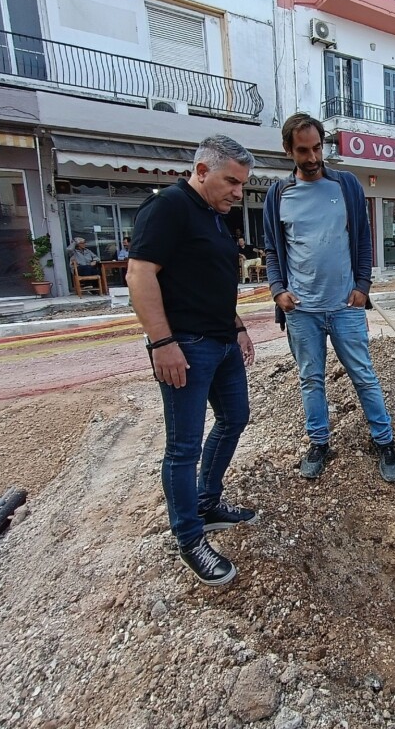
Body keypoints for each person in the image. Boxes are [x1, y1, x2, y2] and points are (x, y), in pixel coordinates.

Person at [126, 134, 258, 587]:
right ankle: (189, 537)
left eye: (242, 184)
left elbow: (213, 280)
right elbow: (140, 274)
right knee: (183, 447)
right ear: (202, 170)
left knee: (235, 417)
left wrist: (237, 325)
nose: (238, 193)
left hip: (221, 342)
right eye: (231, 182)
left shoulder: (214, 215)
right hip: (185, 346)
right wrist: (161, 343)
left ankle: (207, 502)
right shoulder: (168, 207)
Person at [263, 112, 395, 484]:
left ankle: (384, 441)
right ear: (288, 150)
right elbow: (273, 251)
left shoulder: (347, 186)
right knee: (311, 379)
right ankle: (319, 443)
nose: (312, 158)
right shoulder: (278, 194)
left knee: (364, 375)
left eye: (317, 148)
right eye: (303, 151)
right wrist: (278, 292)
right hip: (302, 310)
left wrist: (362, 287)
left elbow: (363, 239)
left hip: (345, 306)